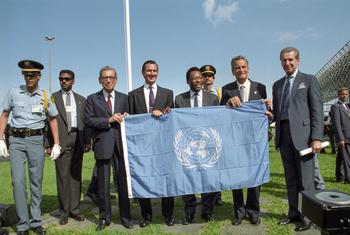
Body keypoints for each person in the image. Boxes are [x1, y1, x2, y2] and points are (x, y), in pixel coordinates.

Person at [0, 60, 61, 235]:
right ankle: (23, 224)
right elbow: (4, 115)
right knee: (18, 182)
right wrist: (1, 139)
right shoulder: (13, 92)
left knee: (36, 182)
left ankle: (35, 221)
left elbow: (52, 119)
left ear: (39, 76)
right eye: (26, 74)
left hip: (36, 140)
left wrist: (56, 143)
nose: (29, 78)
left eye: (32, 74)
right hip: (16, 141)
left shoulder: (45, 95)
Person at [268, 47, 324, 232]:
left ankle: (307, 218)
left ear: (298, 60)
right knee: (290, 178)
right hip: (283, 135)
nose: (287, 63)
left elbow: (317, 110)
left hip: (304, 138)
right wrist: (268, 114)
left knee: (306, 181)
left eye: (291, 60)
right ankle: (293, 213)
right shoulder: (277, 85)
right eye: (284, 60)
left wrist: (316, 137)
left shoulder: (309, 80)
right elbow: (277, 113)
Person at [83, 66, 133, 230]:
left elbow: (132, 118)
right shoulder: (92, 98)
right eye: (105, 77)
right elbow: (88, 120)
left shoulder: (125, 98)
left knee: (123, 183)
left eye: (111, 77)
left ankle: (126, 217)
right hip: (102, 145)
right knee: (103, 185)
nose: (108, 80)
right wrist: (109, 119)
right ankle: (104, 218)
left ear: (116, 79)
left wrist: (127, 117)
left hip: (121, 146)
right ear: (100, 80)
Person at [221, 55, 267, 226]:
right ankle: (239, 211)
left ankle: (254, 211)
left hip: (255, 140)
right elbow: (221, 115)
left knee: (255, 175)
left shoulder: (260, 88)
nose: (240, 70)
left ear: (248, 68)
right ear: (232, 71)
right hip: (235, 141)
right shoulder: (226, 89)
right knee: (237, 175)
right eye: (237, 67)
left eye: (243, 67)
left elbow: (265, 112)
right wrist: (227, 103)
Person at [128, 60, 175, 227]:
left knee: (166, 179)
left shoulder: (168, 93)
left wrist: (163, 112)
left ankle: (168, 215)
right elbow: (131, 120)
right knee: (143, 178)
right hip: (141, 146)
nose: (152, 73)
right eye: (148, 71)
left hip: (163, 145)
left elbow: (172, 118)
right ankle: (146, 215)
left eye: (154, 71)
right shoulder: (133, 95)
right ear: (143, 73)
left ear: (158, 72)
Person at [175, 67, 219, 225]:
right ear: (188, 81)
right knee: (188, 181)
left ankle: (207, 212)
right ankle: (189, 212)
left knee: (208, 180)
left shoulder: (212, 99)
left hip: (207, 147)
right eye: (194, 78)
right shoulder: (179, 99)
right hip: (187, 148)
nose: (199, 80)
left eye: (200, 77)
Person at [51, 70, 91, 225]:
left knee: (75, 176)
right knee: (63, 177)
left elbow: (85, 122)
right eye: (61, 79)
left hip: (78, 138)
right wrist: (48, 144)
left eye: (67, 79)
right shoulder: (52, 98)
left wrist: (87, 141)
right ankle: (64, 212)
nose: (63, 81)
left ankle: (75, 210)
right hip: (60, 140)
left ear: (73, 81)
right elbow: (47, 121)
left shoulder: (81, 99)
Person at [200, 64, 223, 207]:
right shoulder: (197, 92)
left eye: (210, 75)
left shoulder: (220, 93)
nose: (207, 78)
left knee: (216, 167)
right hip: (201, 136)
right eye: (204, 75)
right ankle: (205, 197)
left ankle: (217, 196)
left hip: (215, 135)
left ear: (214, 78)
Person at [330, 87, 350, 183]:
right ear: (338, 95)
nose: (344, 96)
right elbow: (336, 123)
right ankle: (348, 178)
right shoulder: (335, 107)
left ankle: (340, 177)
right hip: (344, 138)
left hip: (348, 137)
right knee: (347, 159)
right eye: (342, 94)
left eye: (346, 94)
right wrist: (340, 138)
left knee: (341, 158)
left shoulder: (347, 106)